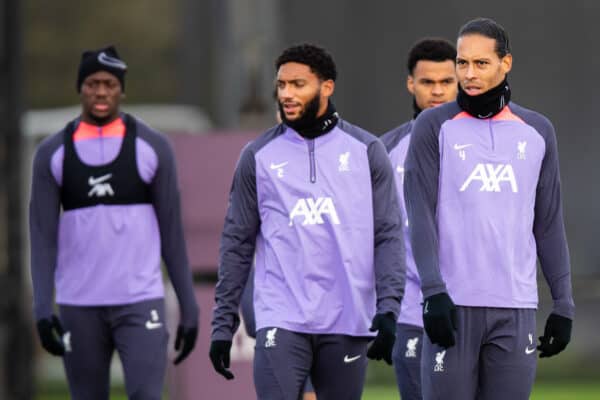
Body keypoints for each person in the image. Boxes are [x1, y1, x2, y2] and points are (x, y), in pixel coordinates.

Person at [209, 43, 405, 400]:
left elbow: (388, 235)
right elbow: (237, 243)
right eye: (281, 85)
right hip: (281, 318)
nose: (286, 94)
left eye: (298, 84)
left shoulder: (366, 151)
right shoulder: (257, 156)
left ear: (326, 87)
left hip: (347, 317)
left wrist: (389, 308)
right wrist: (223, 322)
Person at [404, 18, 574, 400]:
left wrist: (563, 304)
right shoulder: (433, 126)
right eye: (462, 63)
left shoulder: (538, 131)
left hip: (515, 311)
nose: (469, 73)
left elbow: (547, 224)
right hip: (451, 306)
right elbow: (421, 215)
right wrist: (432, 291)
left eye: (481, 63)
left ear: (506, 63)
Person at [29, 45, 199, 400]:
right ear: (80, 87)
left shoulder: (153, 148)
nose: (101, 91)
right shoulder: (52, 153)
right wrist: (43, 308)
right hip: (79, 305)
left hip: (140, 301)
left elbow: (172, 234)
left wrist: (189, 305)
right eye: (92, 83)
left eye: (109, 83)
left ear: (121, 88)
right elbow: (43, 237)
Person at [380, 37, 457, 400]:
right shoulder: (384, 151)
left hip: (472, 308)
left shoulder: (490, 145)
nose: (437, 92)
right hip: (411, 313)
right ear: (411, 84)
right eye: (428, 82)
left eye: (447, 82)